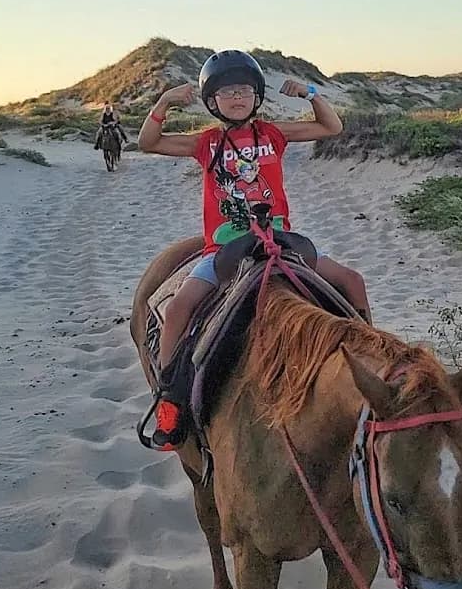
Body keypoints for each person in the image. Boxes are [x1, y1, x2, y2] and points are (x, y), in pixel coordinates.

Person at [138, 49, 372, 449]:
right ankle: (170, 397)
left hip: (280, 242)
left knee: (352, 280)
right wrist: (162, 103)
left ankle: (370, 366)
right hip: (224, 251)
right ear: (212, 101)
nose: (237, 98)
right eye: (227, 93)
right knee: (178, 308)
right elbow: (148, 142)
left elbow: (331, 127)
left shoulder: (273, 134)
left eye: (244, 90)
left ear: (256, 95)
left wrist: (311, 91)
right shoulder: (206, 143)